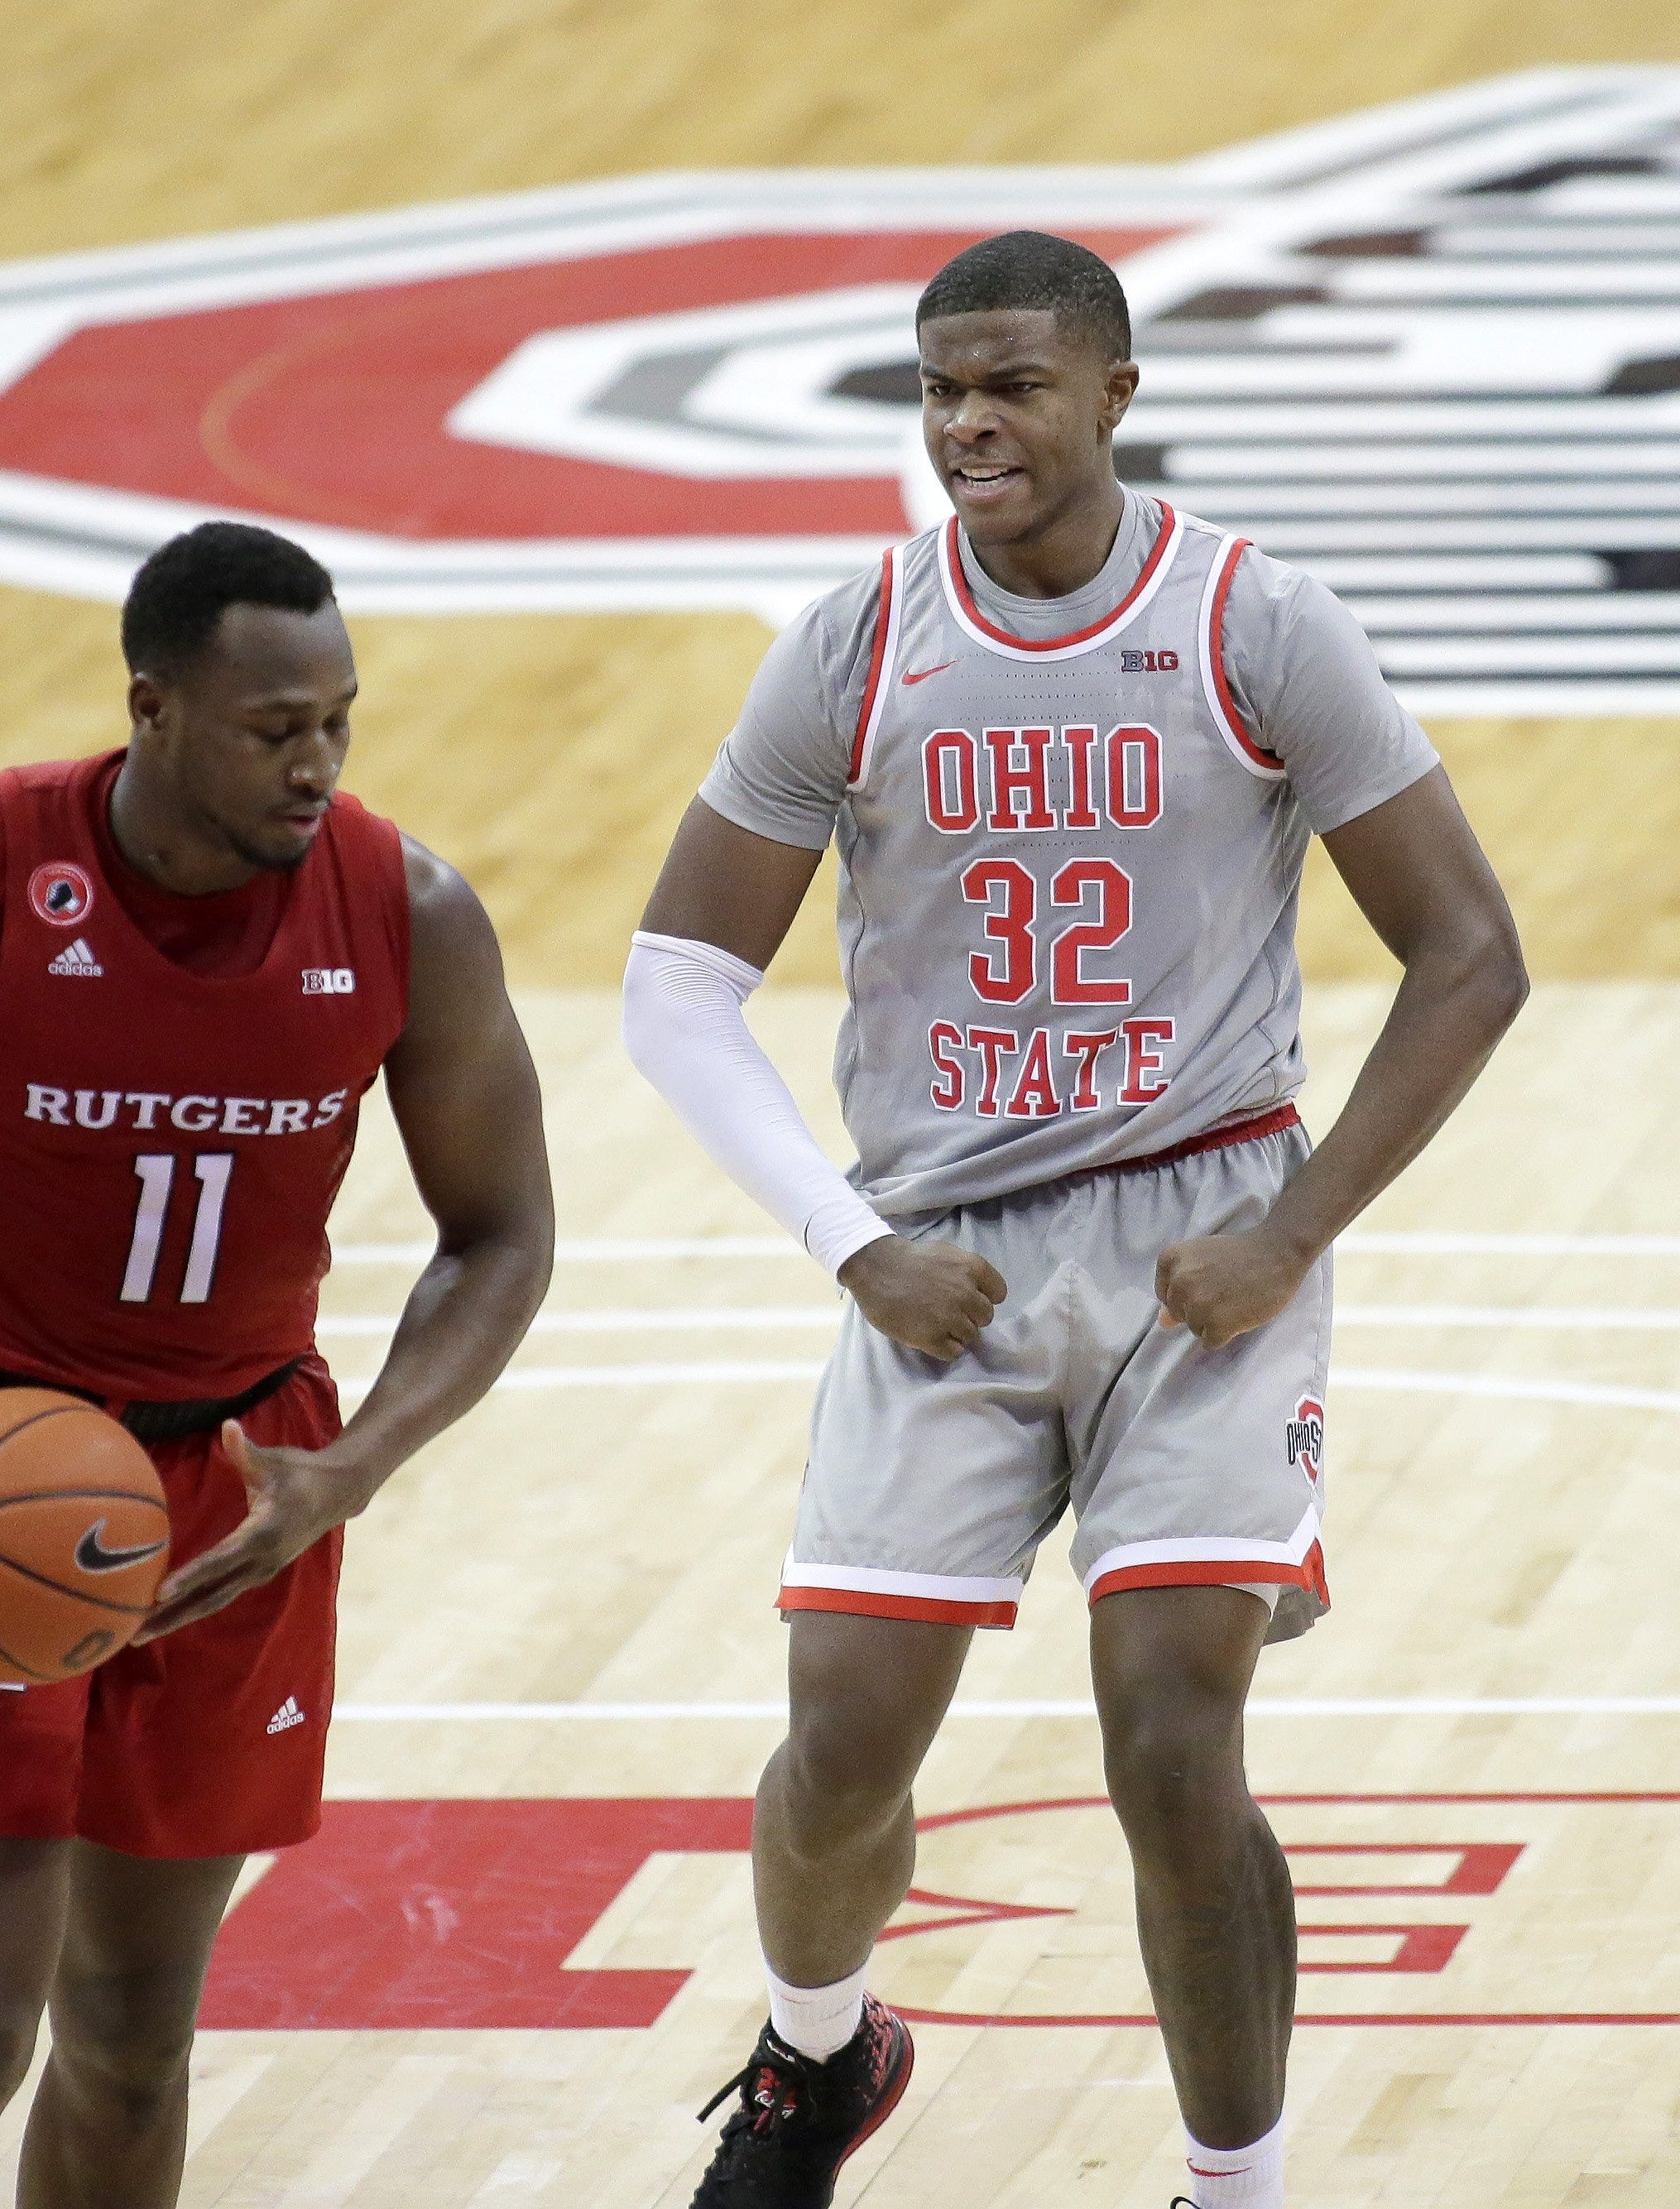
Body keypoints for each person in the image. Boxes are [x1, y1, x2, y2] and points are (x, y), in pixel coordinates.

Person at [623, 231, 1524, 2209]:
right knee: (842, 1744)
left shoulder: (1254, 622)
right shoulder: (859, 641)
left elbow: (1472, 954)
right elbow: (676, 983)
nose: (968, 424)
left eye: (1012, 385)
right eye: (940, 389)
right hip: (940, 1255)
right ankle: (817, 2053)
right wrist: (850, 1244)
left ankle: (1234, 2187)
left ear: (1116, 392)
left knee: (1172, 1735)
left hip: (1207, 1252)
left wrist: (1291, 1232)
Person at [0, 521, 555, 2209]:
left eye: (338, 721)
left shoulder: (409, 911)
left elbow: (503, 1232)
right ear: (153, 708)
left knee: (129, 2040)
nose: (316, 764)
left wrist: (355, 1463)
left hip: (238, 1486)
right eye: (274, 728)